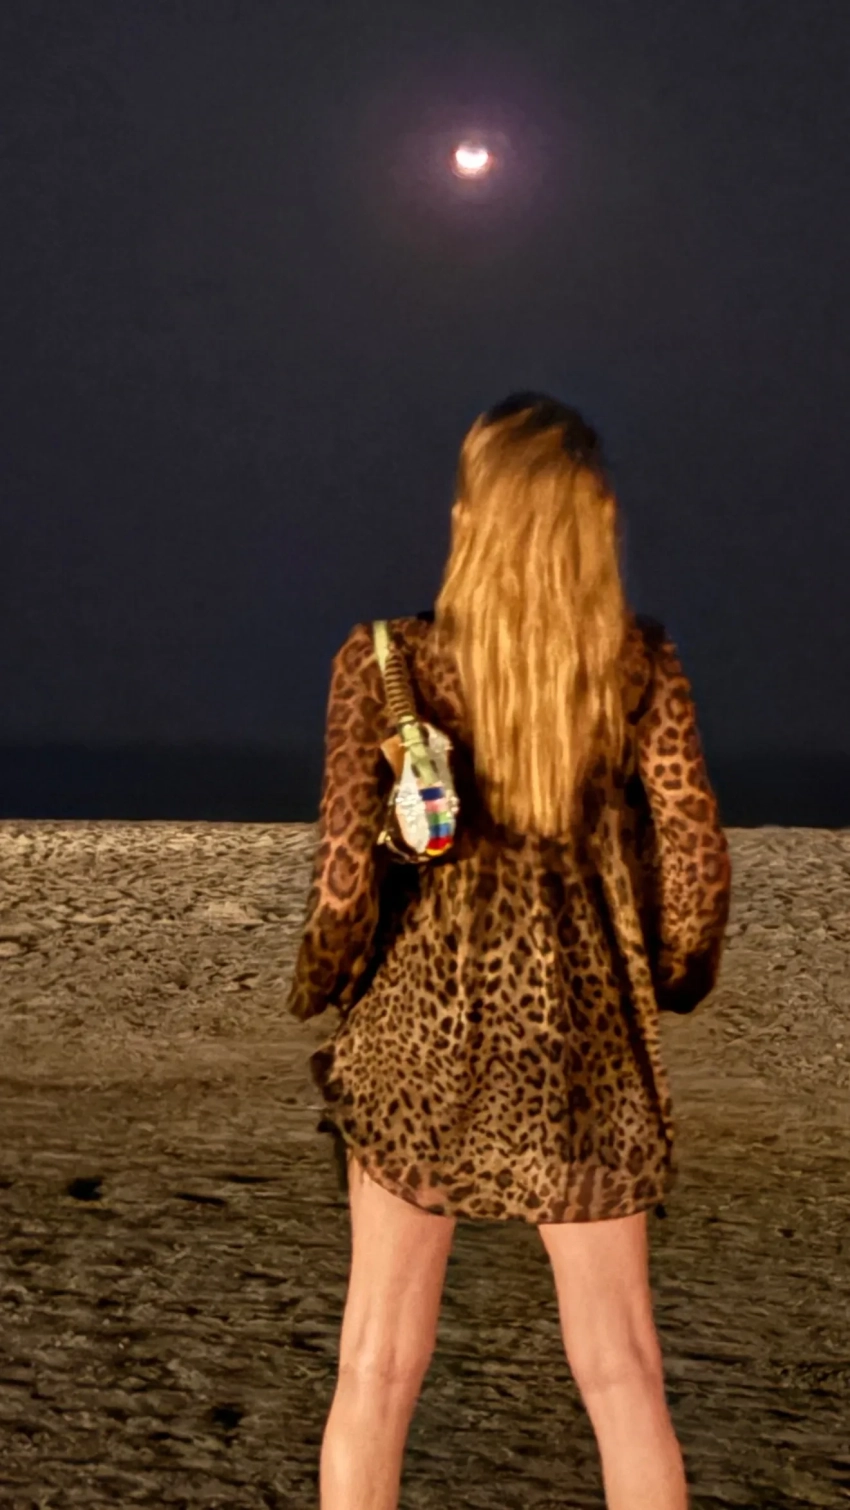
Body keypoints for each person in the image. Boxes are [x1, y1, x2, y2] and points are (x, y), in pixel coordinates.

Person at [286, 392, 732, 1510]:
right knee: (622, 1372)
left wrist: (325, 988)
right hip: (584, 1055)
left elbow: (343, 886)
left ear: (467, 520)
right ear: (597, 520)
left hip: (417, 1051)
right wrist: (668, 983)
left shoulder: (385, 663)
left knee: (377, 1368)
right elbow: (695, 866)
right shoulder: (637, 665)